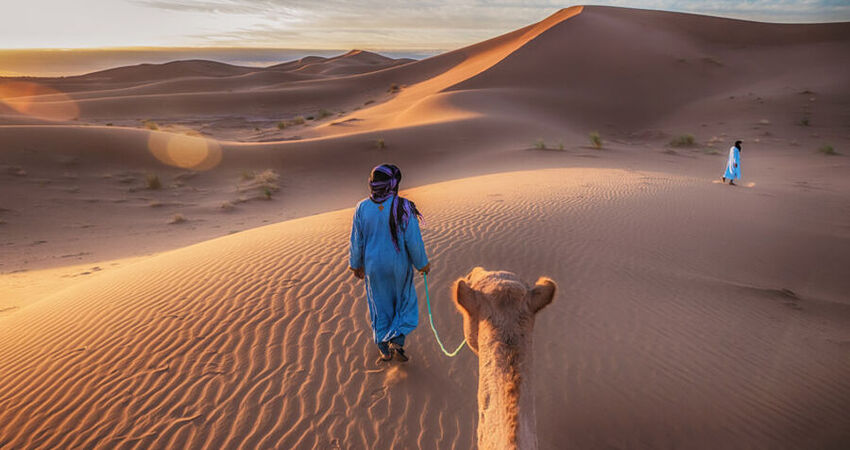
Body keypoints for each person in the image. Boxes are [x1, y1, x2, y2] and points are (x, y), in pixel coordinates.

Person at [349, 164, 430, 363]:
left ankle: (384, 349)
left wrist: (355, 264)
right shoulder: (404, 206)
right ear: (395, 183)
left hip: (373, 267)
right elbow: (413, 240)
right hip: (398, 266)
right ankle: (397, 340)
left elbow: (356, 240)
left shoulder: (362, 207)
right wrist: (422, 264)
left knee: (380, 305)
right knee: (404, 302)